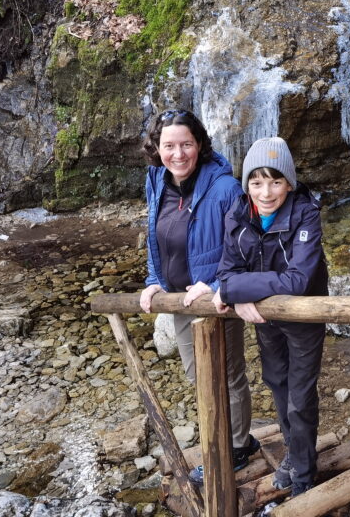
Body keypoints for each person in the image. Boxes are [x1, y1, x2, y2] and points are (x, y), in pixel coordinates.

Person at [139, 109, 259, 484]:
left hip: (214, 299)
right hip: (177, 297)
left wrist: (214, 282)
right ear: (157, 149)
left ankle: (237, 446)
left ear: (200, 145)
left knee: (227, 372)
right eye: (169, 145)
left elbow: (242, 244)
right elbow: (154, 235)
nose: (178, 154)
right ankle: (229, 435)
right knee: (198, 374)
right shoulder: (156, 179)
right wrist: (154, 279)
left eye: (186, 144)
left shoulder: (225, 187)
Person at [213, 136, 328, 496]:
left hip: (304, 316)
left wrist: (236, 292)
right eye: (257, 181)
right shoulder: (238, 213)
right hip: (266, 319)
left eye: (276, 181)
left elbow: (298, 279)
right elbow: (225, 270)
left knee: (300, 396)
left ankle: (305, 476)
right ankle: (294, 454)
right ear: (246, 184)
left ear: (289, 184)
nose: (266, 192)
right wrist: (239, 293)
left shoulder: (305, 212)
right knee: (277, 383)